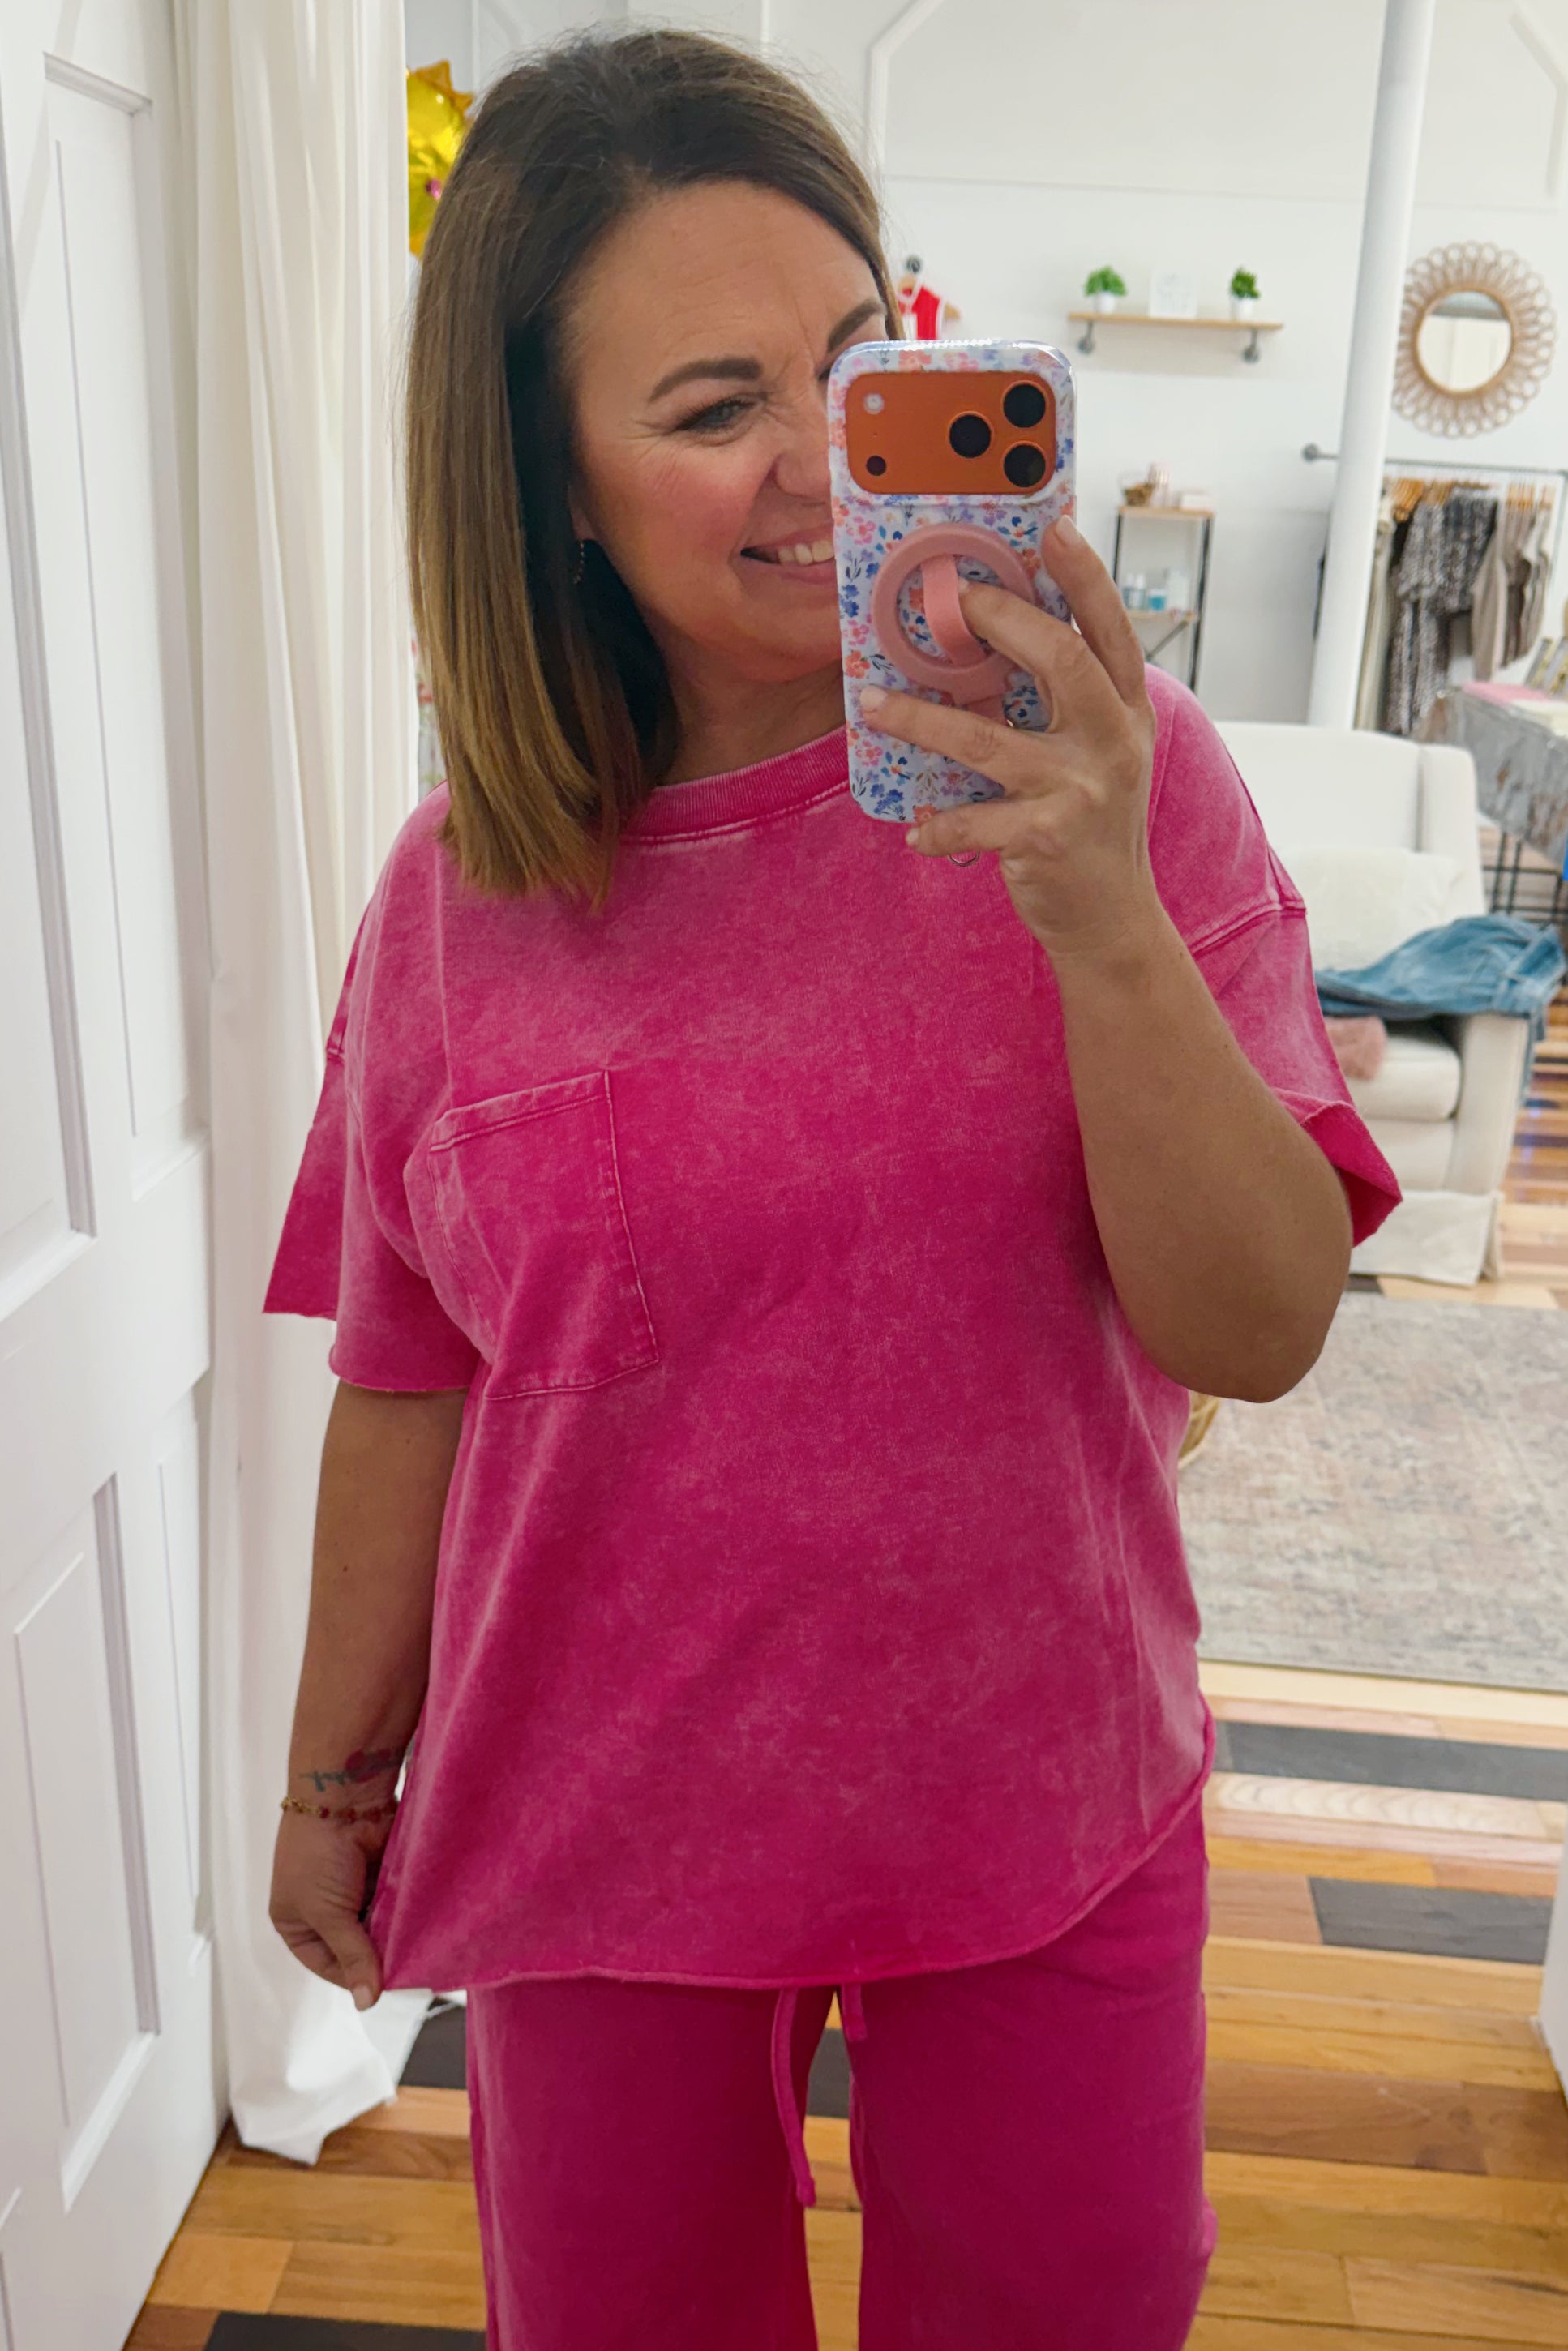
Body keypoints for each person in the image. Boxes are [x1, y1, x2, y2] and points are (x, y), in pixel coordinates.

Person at [264, 27, 1402, 2350]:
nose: (828, 462)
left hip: (1044, 1787)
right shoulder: (460, 898)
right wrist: (326, 1780)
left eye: (866, 361)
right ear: (552, 488)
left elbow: (1263, 1327)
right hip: (600, 1823)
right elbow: (406, 1379)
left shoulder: (1121, 778)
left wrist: (1099, 913)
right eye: (715, 410)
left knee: (1073, 2309)